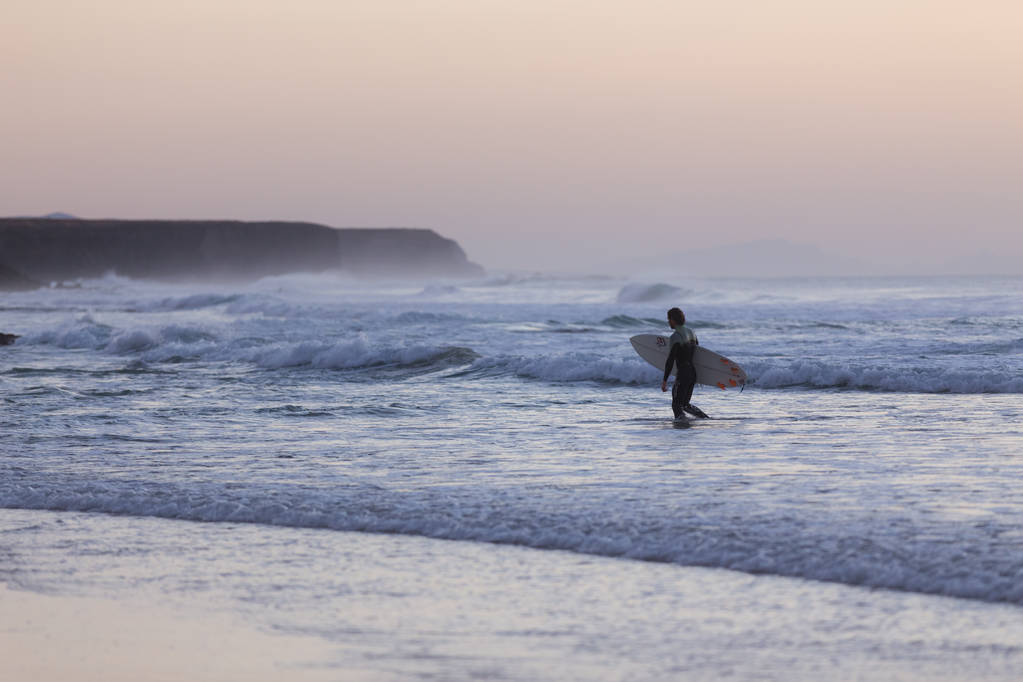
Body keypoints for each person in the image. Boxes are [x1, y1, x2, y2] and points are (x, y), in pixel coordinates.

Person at [661, 307, 708, 420]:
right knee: (685, 405)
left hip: (682, 373)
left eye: (669, 319)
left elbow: (671, 359)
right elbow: (697, 353)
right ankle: (705, 419)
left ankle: (680, 428)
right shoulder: (692, 333)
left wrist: (664, 380)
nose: (668, 322)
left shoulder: (675, 337)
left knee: (676, 405)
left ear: (673, 319)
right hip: (692, 373)